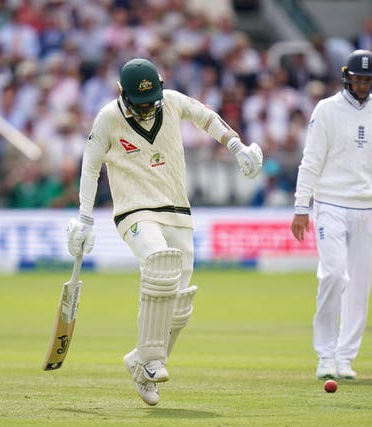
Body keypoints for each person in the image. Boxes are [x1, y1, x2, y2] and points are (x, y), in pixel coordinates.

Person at [66, 58, 263, 406]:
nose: (146, 108)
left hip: (178, 210)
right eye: (138, 103)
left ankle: (140, 362)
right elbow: (90, 164)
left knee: (181, 300)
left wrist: (236, 146)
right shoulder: (108, 118)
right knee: (159, 262)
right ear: (123, 95)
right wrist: (84, 217)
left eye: (150, 100)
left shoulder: (171, 100)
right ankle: (154, 360)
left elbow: (206, 117)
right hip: (134, 210)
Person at [290, 50, 372, 381]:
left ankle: (345, 356)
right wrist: (301, 207)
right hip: (330, 203)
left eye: (368, 80)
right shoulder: (326, 110)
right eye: (358, 79)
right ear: (346, 77)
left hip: (370, 205)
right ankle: (325, 354)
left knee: (360, 288)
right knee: (334, 275)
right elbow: (310, 160)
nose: (363, 85)